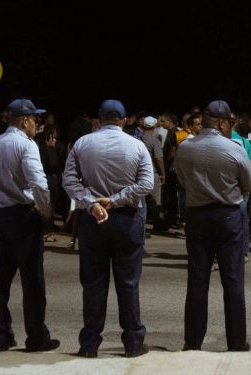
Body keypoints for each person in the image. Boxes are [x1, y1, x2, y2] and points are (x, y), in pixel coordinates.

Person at [63, 99, 154, 358]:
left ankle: (89, 344)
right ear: (124, 120)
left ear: (99, 120)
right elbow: (146, 184)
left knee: (93, 285)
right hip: (126, 220)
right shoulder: (136, 145)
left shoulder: (83, 143)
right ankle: (134, 343)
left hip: (93, 222)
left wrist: (92, 204)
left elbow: (69, 181)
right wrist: (114, 200)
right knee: (128, 283)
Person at [0, 99, 60, 352]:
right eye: (34, 120)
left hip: (1, 215)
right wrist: (46, 213)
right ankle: (37, 337)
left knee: (0, 281)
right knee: (32, 280)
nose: (36, 124)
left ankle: (1, 336)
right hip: (24, 216)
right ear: (25, 120)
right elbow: (38, 183)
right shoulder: (26, 145)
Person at [175, 100, 251, 352]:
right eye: (229, 122)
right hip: (228, 217)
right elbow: (247, 184)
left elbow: (182, 179)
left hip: (197, 216)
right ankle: (237, 342)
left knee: (197, 280)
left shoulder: (185, 148)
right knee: (233, 281)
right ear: (221, 122)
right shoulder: (234, 148)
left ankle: (193, 341)